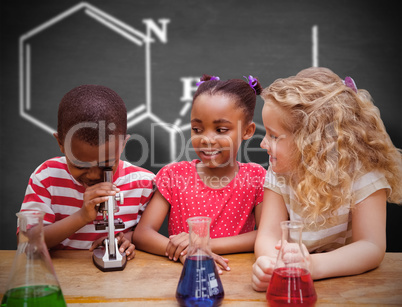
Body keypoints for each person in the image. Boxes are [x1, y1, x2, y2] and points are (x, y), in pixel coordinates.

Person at [252, 67, 402, 291]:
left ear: (311, 140)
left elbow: (371, 246)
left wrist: (312, 266)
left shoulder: (364, 175)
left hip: (348, 287)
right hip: (292, 281)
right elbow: (268, 235)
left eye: (273, 136)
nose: (263, 143)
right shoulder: (278, 173)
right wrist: (271, 264)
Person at [133, 74, 266, 272]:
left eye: (221, 130)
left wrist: (201, 244)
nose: (206, 139)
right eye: (197, 129)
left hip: (237, 275)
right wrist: (188, 253)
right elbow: (143, 233)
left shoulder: (255, 177)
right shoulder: (174, 175)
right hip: (183, 275)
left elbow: (265, 234)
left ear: (247, 131)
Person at [19, 85, 155, 260]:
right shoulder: (47, 178)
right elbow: (26, 243)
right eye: (80, 165)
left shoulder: (144, 184)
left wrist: (125, 240)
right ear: (60, 143)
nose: (92, 175)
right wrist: (82, 216)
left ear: (123, 144)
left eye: (106, 165)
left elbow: (144, 234)